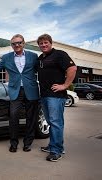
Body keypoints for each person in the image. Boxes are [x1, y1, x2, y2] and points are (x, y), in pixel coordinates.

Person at [0, 34, 39, 153]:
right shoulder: (6, 58)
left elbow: (38, 69)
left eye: (19, 43)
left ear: (23, 43)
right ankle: (13, 143)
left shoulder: (33, 56)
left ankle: (28, 143)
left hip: (31, 90)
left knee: (31, 118)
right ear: (11, 45)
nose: (17, 45)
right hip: (15, 91)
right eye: (14, 44)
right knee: (14, 116)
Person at [36, 34, 77, 162]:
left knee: (55, 122)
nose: (43, 45)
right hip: (44, 95)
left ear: (51, 43)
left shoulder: (60, 54)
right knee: (51, 122)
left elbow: (72, 68)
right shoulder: (40, 58)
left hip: (56, 96)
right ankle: (54, 145)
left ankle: (56, 151)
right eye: (41, 43)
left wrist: (65, 85)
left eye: (45, 42)